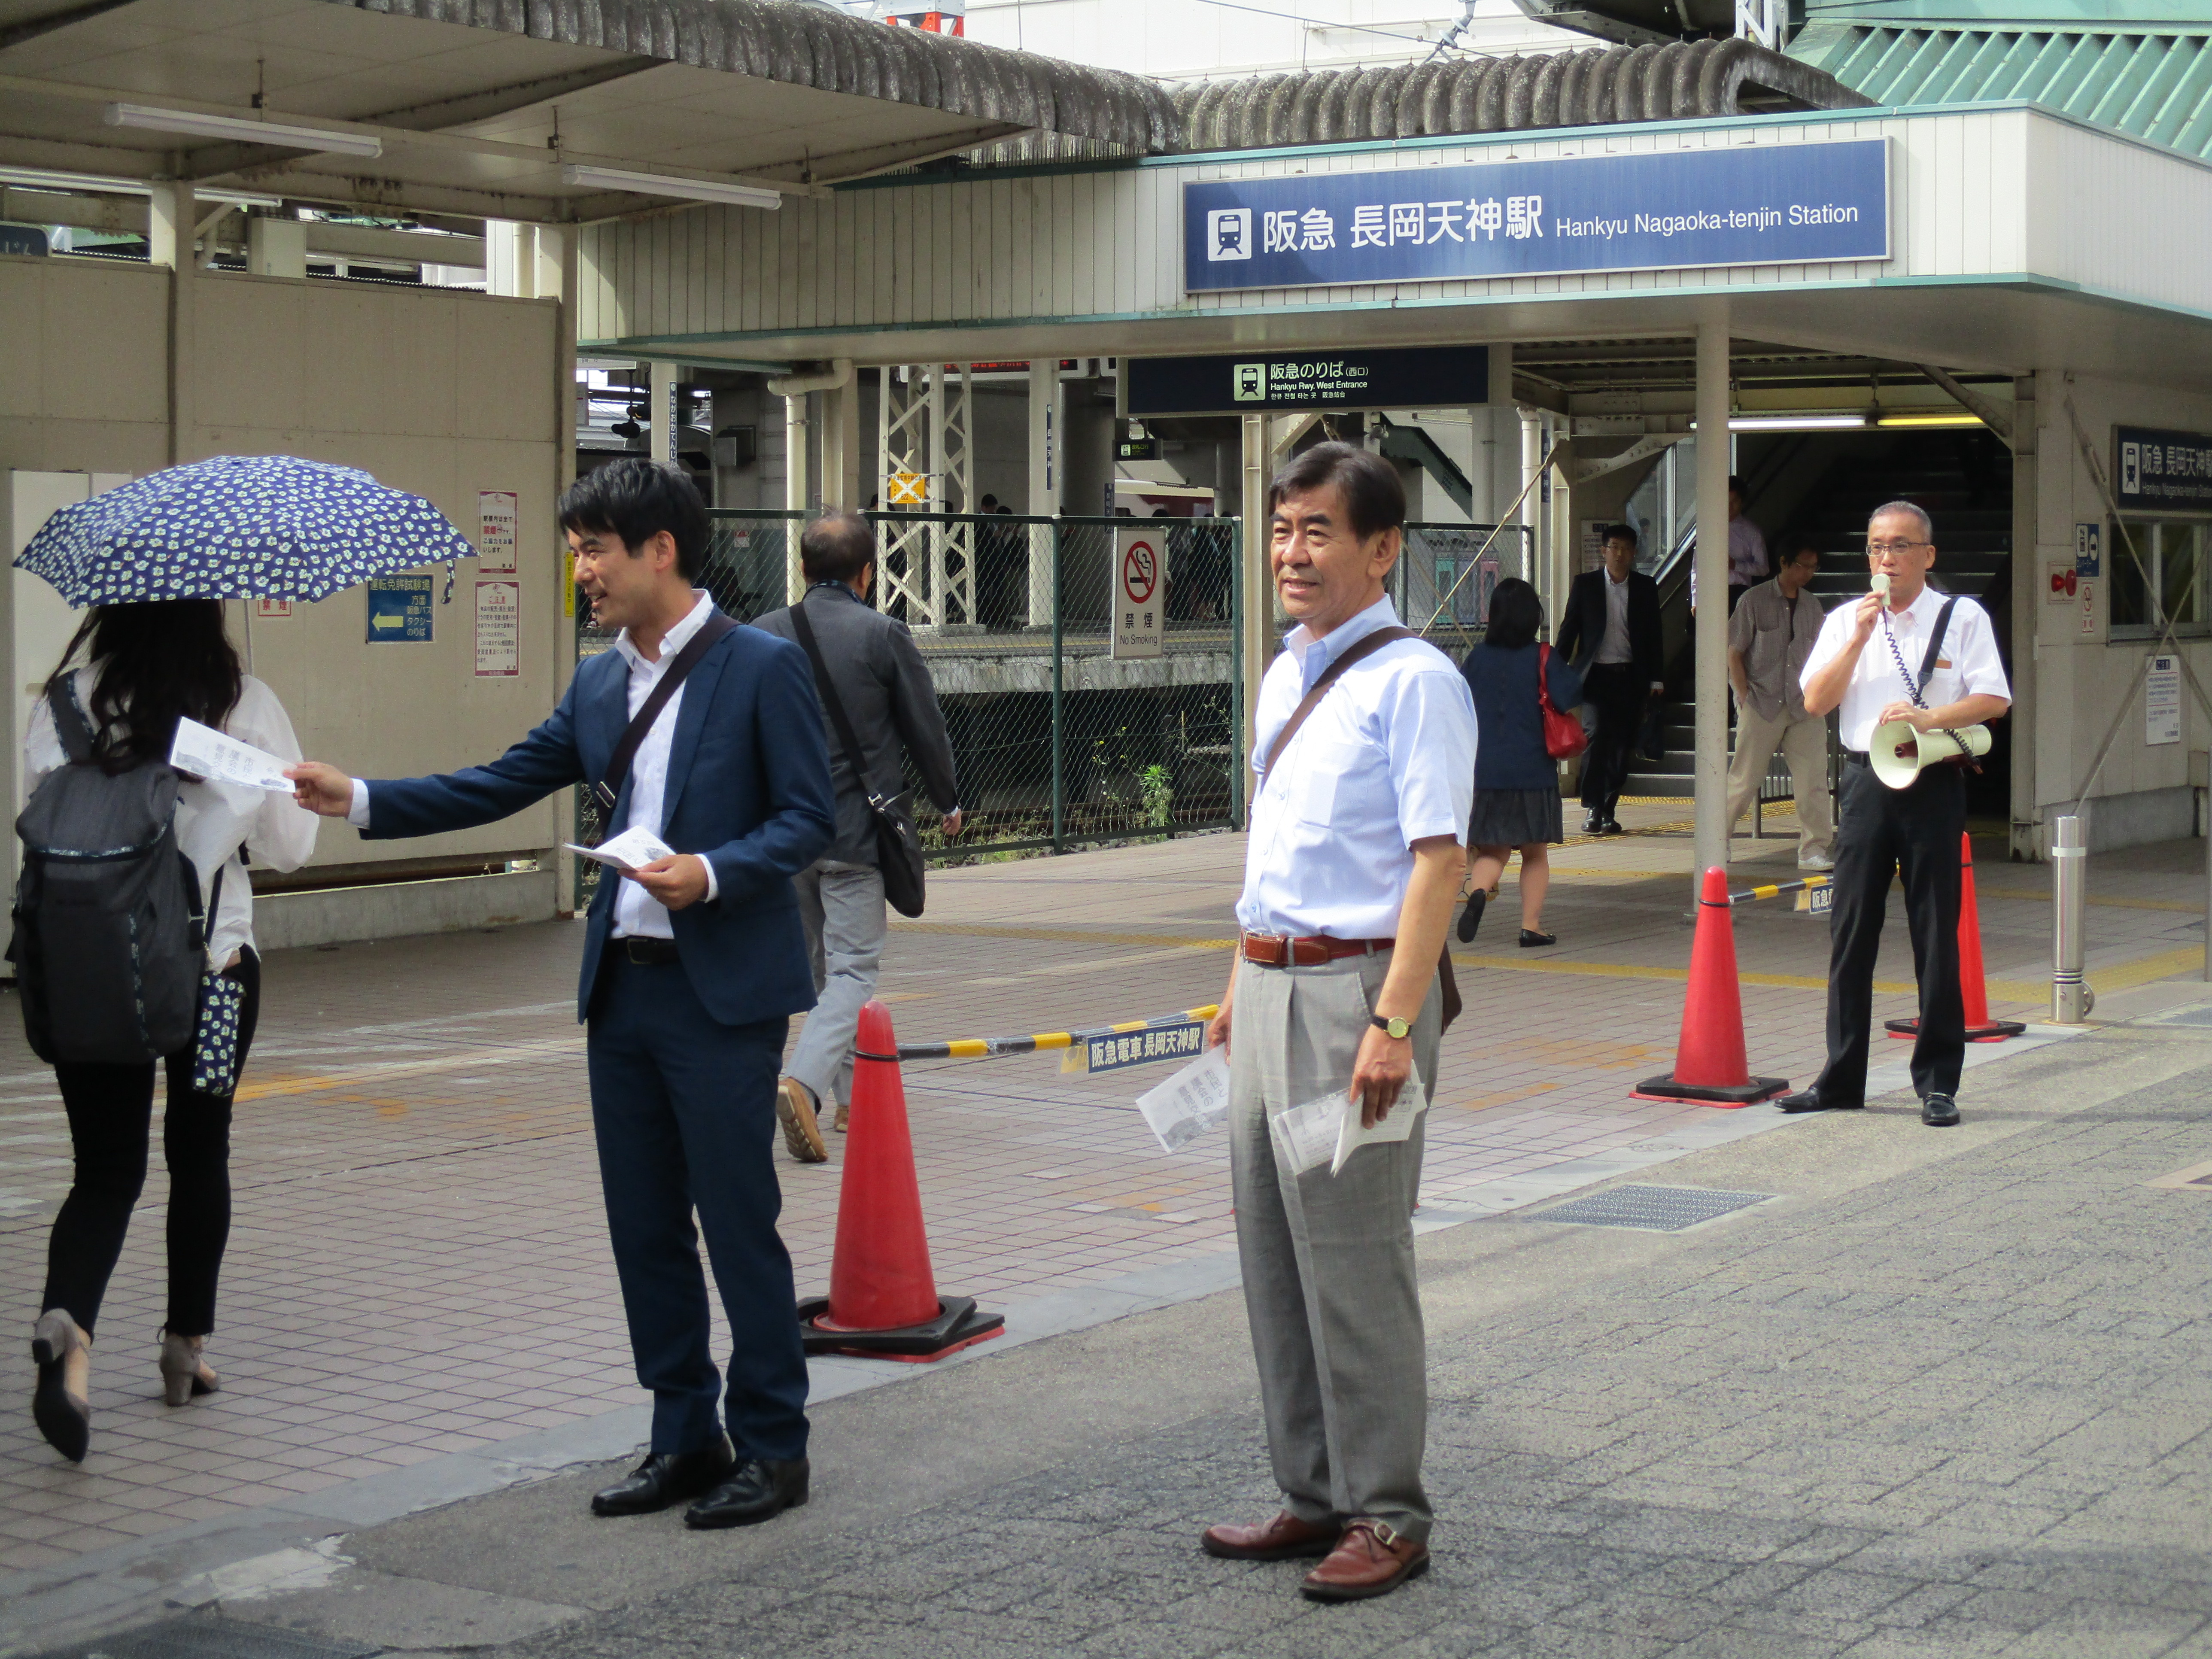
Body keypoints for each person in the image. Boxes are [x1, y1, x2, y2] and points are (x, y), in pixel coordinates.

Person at [288, 459, 837, 1529]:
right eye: (577, 548)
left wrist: (710, 871)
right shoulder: (596, 684)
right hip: (621, 997)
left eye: (595, 549)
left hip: (721, 998)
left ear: (660, 551)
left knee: (738, 1225)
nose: (579, 569)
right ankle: (685, 1434)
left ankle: (775, 1446)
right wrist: (357, 798)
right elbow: (499, 781)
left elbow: (810, 817)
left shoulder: (762, 667)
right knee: (644, 1230)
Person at [1200, 442, 1477, 1603]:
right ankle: (1313, 1493)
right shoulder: (1284, 674)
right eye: (1280, 529)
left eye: (1318, 531)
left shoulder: (1417, 682)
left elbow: (1441, 862)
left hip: (1353, 1000)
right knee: (1274, 1251)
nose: (1292, 552)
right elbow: (1276, 849)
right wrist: (1234, 978)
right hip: (1270, 987)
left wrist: (1395, 1023)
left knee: (1356, 1259)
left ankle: (1390, 1511)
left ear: (1382, 549)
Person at [27, 601, 318, 1463]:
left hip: (92, 975)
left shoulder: (62, 704)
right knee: (201, 1151)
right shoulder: (242, 701)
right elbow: (295, 845)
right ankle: (184, 1348)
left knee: (105, 1169)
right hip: (214, 976)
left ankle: (69, 1326)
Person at [1775, 501, 2010, 1128]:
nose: (1888, 559)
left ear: (1928, 556)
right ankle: (1841, 1078)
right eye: (1878, 547)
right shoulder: (1847, 619)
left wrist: (1928, 717)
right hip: (1863, 782)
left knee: (1936, 933)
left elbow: (1994, 699)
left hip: (1932, 780)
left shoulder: (1962, 617)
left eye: (1901, 547)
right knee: (1851, 932)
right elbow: (1815, 700)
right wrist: (1857, 636)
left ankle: (1938, 1083)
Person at [753, 511, 962, 1162]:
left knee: (819, 971)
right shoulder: (882, 634)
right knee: (852, 971)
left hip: (785, 838)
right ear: (867, 575)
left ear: (805, 570)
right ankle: (805, 1084)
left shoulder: (762, 636)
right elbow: (923, 726)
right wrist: (947, 798)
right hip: (853, 835)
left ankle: (849, 1102)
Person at [1455, 577, 1581, 948]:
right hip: (1532, 771)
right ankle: (1531, 926)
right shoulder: (1542, 655)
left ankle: (1478, 891)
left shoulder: (1477, 659)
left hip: (1485, 773)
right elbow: (1569, 693)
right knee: (1534, 852)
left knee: (1495, 849)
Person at [1725, 535, 1836, 870]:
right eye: (1803, 565)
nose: (1808, 573)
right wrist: (1742, 696)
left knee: (1814, 781)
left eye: (1814, 567)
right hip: (1762, 701)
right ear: (1784, 562)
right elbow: (1734, 652)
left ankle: (1813, 850)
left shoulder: (1813, 606)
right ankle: (1716, 841)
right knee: (1744, 780)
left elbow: (1822, 655)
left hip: (1804, 704)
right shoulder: (1753, 600)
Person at [1555, 523, 1662, 835]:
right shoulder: (1585, 585)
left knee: (1622, 744)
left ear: (1634, 553)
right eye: (1614, 547)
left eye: (1626, 548)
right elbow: (1569, 629)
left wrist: (1657, 680)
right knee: (1595, 736)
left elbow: (1655, 637)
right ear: (1603, 551)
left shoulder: (1645, 587)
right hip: (1595, 676)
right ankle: (1592, 807)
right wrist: (1554, 668)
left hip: (1631, 676)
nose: (1620, 554)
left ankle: (1609, 807)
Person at [1689, 475, 1770, 615]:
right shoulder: (1708, 529)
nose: (1730, 506)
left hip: (1739, 592)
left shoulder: (1752, 532)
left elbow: (1764, 569)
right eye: (1726, 500)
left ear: (1742, 502)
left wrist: (1736, 566)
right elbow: (1697, 567)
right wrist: (1696, 600)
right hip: (1710, 591)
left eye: (1735, 501)